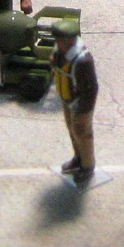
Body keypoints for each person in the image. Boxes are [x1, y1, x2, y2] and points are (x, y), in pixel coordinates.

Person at [50, 18, 99, 185]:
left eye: (60, 40)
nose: (57, 43)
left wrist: (84, 112)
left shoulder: (83, 61)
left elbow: (91, 90)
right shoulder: (61, 52)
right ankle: (78, 158)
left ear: (69, 41)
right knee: (72, 130)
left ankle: (87, 166)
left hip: (80, 103)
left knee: (83, 134)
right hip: (67, 98)